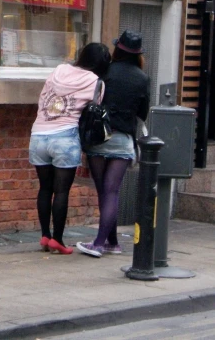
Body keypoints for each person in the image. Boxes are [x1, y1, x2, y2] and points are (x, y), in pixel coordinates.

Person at [29, 42, 111, 255]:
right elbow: (92, 110)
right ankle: (58, 239)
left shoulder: (59, 69)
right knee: (62, 191)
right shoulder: (96, 82)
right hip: (65, 137)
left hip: (38, 134)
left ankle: (45, 235)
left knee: (45, 188)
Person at [77, 30, 150, 258]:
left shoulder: (105, 71)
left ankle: (99, 243)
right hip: (123, 139)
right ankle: (112, 242)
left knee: (103, 192)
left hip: (100, 138)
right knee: (112, 192)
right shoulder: (142, 78)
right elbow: (143, 113)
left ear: (117, 49)